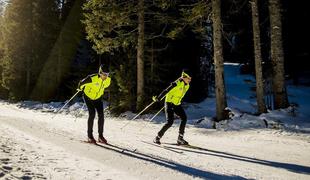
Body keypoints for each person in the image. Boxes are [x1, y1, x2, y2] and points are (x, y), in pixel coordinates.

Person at [153, 70, 192, 145]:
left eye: (190, 78)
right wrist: (159, 98)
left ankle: (180, 138)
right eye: (188, 78)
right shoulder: (176, 83)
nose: (190, 80)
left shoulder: (187, 86)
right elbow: (166, 90)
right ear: (184, 78)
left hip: (177, 104)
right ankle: (157, 137)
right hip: (169, 103)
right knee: (170, 122)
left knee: (184, 118)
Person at [78, 65, 111, 144]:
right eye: (104, 74)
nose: (105, 76)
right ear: (100, 73)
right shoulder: (92, 78)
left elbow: (105, 86)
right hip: (88, 97)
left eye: (107, 74)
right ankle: (90, 136)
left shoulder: (108, 80)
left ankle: (100, 136)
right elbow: (81, 83)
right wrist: (80, 88)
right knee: (92, 113)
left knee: (101, 115)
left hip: (98, 98)